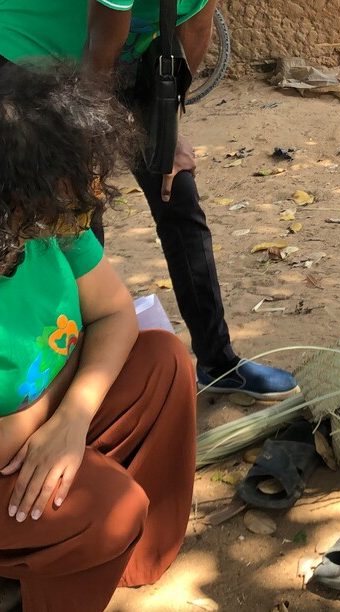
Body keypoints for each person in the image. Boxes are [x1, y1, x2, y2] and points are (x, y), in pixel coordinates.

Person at [0, 0, 300, 400]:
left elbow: (193, 32)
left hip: (114, 62)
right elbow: (99, 49)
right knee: (75, 214)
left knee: (178, 193)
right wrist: (87, 158)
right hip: (27, 59)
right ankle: (68, 384)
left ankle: (218, 362)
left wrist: (168, 129)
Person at [0, 63, 196, 612]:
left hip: (30, 425)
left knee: (163, 360)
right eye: (70, 193)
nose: (90, 201)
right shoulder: (37, 214)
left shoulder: (49, 225)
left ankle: (126, 562)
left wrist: (71, 415)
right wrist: (59, 407)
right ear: (16, 199)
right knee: (108, 509)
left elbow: (115, 315)